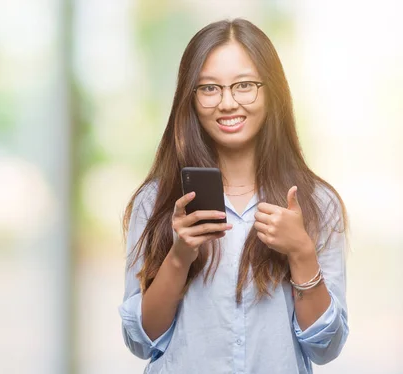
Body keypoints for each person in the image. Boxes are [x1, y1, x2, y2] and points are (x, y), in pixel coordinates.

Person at [119, 18, 349, 373]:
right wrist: (179, 256)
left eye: (244, 86)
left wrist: (301, 252)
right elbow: (142, 340)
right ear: (190, 98)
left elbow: (325, 347)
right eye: (209, 88)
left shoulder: (317, 204)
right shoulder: (157, 201)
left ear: (272, 91)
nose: (227, 103)